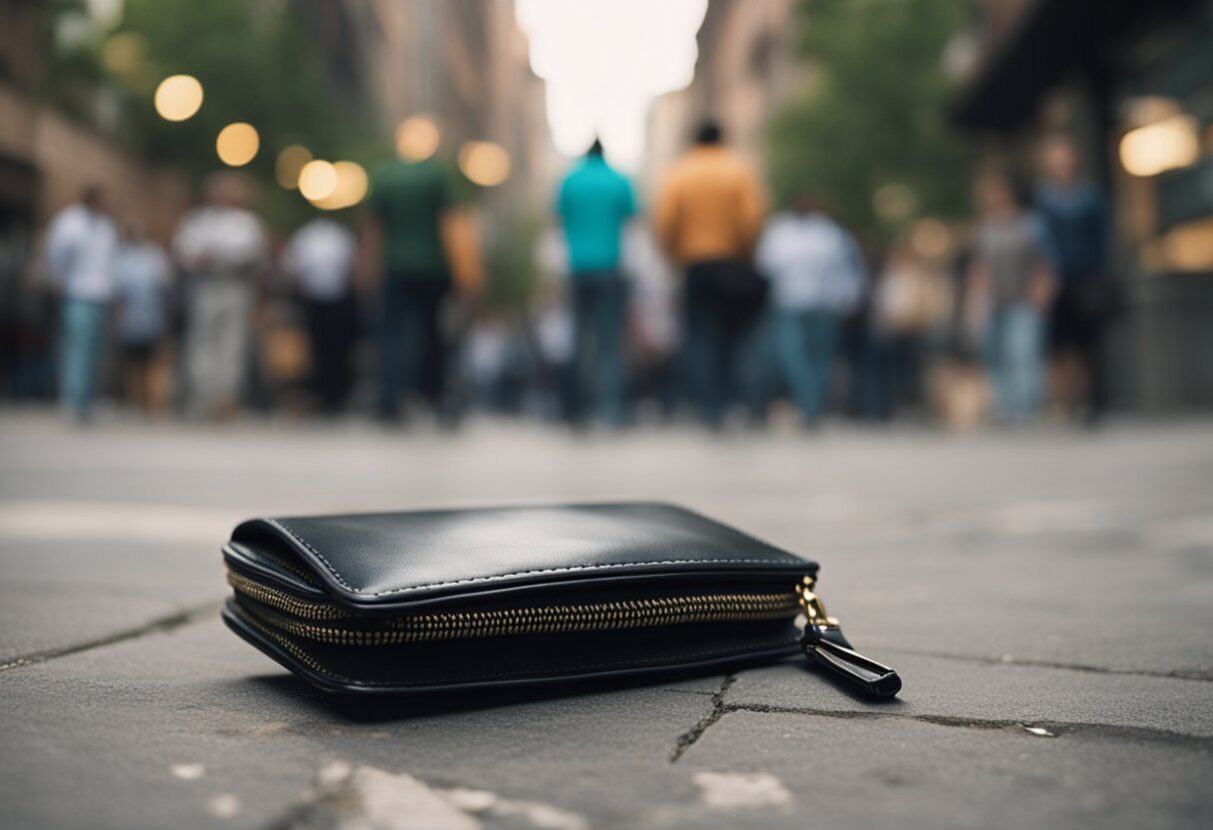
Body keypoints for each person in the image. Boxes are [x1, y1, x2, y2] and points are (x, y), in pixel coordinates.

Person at [655, 120, 765, 426]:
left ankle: (707, 406)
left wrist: (671, 255)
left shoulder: (681, 172)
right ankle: (731, 401)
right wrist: (747, 253)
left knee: (701, 336)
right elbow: (752, 219)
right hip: (732, 264)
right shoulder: (738, 170)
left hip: (696, 265)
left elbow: (666, 221)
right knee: (732, 337)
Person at [755, 196, 866, 426]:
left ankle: (809, 403)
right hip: (815, 303)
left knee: (799, 356)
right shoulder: (832, 234)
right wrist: (850, 297)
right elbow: (849, 270)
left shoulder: (782, 233)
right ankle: (811, 403)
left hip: (797, 303)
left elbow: (765, 267)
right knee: (814, 358)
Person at [363, 151, 454, 423]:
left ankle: (390, 398)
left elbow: (373, 226)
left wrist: (368, 268)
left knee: (392, 334)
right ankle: (433, 395)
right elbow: (449, 223)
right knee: (432, 333)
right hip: (432, 265)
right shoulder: (437, 175)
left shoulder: (385, 176)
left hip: (394, 266)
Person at [555, 138, 637, 427]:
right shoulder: (619, 181)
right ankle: (611, 409)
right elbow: (631, 220)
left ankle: (578, 411)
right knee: (610, 343)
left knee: (579, 341)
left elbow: (559, 219)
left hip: (577, 268)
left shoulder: (570, 181)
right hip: (610, 267)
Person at [172, 173, 268, 419]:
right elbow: (183, 251)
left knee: (232, 342)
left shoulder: (246, 222)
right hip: (205, 284)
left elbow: (254, 256)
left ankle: (225, 398)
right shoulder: (197, 220)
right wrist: (199, 259)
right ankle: (202, 396)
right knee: (201, 340)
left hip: (235, 285)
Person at [966, 173, 1056, 424]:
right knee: (996, 356)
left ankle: (1026, 411)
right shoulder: (985, 229)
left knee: (1023, 356)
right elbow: (979, 269)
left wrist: (1041, 297)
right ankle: (1004, 409)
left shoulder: (1031, 225)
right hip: (993, 303)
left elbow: (1045, 264)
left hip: (1024, 302)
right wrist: (974, 303)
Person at [1036, 137, 1112, 424]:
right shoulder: (1044, 200)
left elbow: (1102, 240)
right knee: (1057, 346)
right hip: (1055, 282)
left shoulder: (1090, 199)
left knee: (1085, 345)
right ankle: (1063, 403)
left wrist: (1099, 275)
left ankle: (1086, 401)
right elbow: (1039, 243)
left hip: (1086, 281)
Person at [44, 185, 118, 422]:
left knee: (96, 351)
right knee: (77, 349)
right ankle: (73, 400)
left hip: (101, 295)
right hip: (77, 293)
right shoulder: (69, 223)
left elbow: (111, 261)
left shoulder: (106, 226)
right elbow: (57, 255)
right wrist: (59, 281)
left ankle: (90, 399)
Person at [281, 216, 358, 414]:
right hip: (312, 301)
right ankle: (317, 394)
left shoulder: (340, 236)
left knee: (338, 348)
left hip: (338, 301)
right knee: (313, 349)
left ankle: (337, 394)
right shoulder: (307, 236)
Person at [112, 219, 171, 415]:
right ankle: (134, 400)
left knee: (153, 361)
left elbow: (165, 285)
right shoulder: (120, 257)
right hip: (129, 319)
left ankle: (153, 402)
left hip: (152, 317)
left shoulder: (155, 255)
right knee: (131, 362)